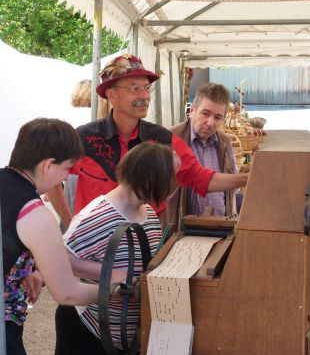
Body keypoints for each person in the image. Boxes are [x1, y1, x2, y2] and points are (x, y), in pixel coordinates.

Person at [46, 53, 248, 230]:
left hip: (142, 245)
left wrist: (248, 178)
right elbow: (48, 173)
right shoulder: (85, 138)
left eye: (146, 88)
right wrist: (68, 219)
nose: (144, 96)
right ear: (111, 95)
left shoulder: (163, 140)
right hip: (91, 246)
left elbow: (202, 178)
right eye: (135, 88)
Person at [52, 142, 176, 355]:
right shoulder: (97, 217)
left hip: (124, 338)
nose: (172, 186)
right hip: (90, 331)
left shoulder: (148, 214)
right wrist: (110, 274)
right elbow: (56, 259)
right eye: (168, 178)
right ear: (149, 178)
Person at [1, 118, 100, 355]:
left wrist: (26, 267)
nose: (67, 177)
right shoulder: (35, 213)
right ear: (47, 165)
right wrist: (116, 291)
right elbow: (66, 292)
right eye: (67, 168)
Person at [167, 83, 242, 223]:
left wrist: (233, 217)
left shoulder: (224, 142)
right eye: (205, 113)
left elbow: (232, 188)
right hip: (181, 228)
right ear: (192, 110)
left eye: (218, 117)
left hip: (221, 226)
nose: (210, 123)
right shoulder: (172, 138)